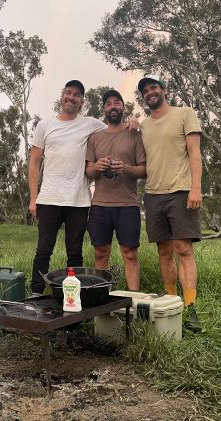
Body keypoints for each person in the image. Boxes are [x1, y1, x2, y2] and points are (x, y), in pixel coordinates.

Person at [28, 80, 107, 296]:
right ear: (62, 96)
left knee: (75, 252)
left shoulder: (90, 124)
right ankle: (36, 292)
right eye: (68, 93)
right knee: (44, 249)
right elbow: (34, 163)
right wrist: (33, 198)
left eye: (77, 95)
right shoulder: (44, 125)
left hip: (78, 200)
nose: (71, 97)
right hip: (49, 199)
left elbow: (115, 130)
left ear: (82, 101)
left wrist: (133, 125)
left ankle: (73, 295)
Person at [138, 75, 203, 332]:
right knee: (163, 251)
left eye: (153, 87)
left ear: (164, 90)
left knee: (183, 249)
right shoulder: (143, 126)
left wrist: (196, 188)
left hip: (180, 191)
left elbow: (195, 153)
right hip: (153, 194)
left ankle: (190, 307)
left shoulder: (185, 114)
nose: (150, 92)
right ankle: (170, 301)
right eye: (145, 91)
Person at [85, 89, 146, 291]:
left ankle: (133, 300)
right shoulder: (94, 138)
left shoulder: (134, 135)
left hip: (127, 204)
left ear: (123, 107)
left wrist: (126, 168)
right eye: (108, 103)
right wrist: (97, 167)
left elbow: (144, 170)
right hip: (100, 205)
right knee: (101, 253)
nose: (113, 106)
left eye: (116, 103)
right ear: (104, 109)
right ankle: (102, 297)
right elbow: (88, 172)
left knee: (129, 253)